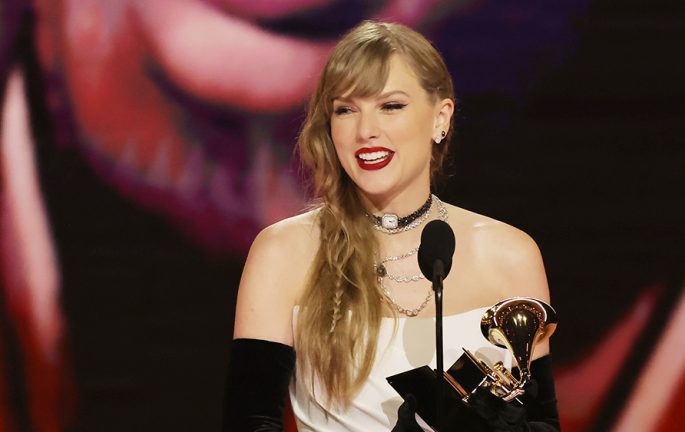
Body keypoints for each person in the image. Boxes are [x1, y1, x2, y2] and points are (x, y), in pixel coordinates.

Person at [223, 20, 559, 432]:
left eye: (391, 106)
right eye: (346, 110)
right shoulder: (285, 252)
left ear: (441, 118)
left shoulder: (510, 255)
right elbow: (249, 422)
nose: (366, 131)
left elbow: (543, 422)